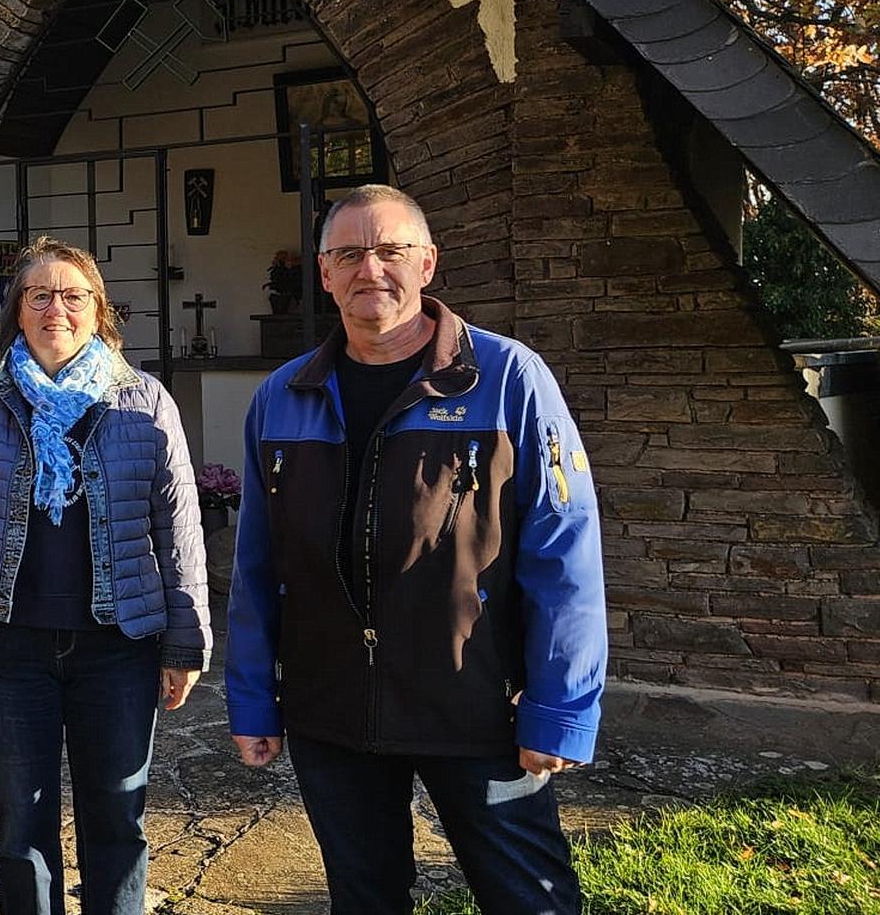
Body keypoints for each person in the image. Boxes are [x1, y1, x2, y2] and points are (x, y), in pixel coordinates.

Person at [225, 183, 607, 915]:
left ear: (427, 264)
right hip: (331, 709)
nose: (371, 268)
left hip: (476, 705)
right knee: (365, 900)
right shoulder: (281, 396)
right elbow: (257, 565)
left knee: (532, 899)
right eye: (349, 253)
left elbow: (566, 554)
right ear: (325, 271)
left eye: (391, 250)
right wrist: (252, 698)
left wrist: (560, 707)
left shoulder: (508, 379)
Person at [0, 236, 210, 915]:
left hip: (119, 648)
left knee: (118, 819)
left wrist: (185, 642)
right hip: (8, 648)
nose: (56, 308)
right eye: (39, 294)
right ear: (16, 311)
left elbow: (179, 531)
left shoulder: (143, 400)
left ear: (97, 309)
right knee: (21, 826)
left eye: (73, 295)